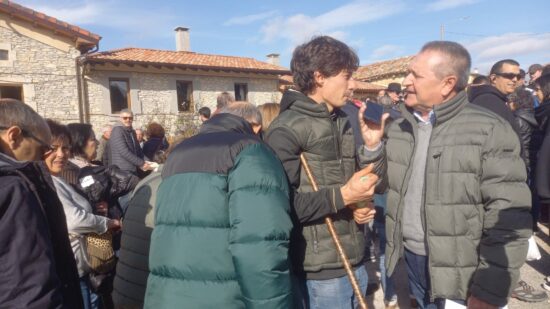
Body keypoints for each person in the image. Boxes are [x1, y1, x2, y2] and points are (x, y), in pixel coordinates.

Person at [363, 41, 532, 308]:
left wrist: (490, 291)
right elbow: (384, 186)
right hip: (406, 262)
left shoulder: (488, 130)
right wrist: (372, 147)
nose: (405, 81)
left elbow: (509, 217)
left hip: (460, 274)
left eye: (415, 75)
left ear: (447, 83)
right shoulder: (400, 127)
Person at [265, 36, 382, 309]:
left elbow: (365, 182)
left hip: (355, 259)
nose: (353, 85)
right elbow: (279, 206)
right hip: (320, 272)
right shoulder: (287, 129)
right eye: (347, 76)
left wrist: (360, 204)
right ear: (319, 77)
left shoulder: (341, 119)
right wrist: (343, 196)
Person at [145, 102, 293, 308]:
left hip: (166, 297)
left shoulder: (179, 153)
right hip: (222, 298)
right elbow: (260, 247)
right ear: (256, 127)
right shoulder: (251, 152)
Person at [0, 98, 83, 308]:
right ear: (14, 136)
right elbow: (27, 287)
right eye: (44, 148)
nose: (47, 155)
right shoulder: (13, 187)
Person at [44, 119, 121, 309]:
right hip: (73, 266)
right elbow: (74, 220)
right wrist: (107, 222)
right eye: (53, 148)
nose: (61, 154)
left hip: (80, 265)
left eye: (65, 148)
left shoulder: (56, 178)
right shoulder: (53, 181)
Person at [109, 109, 151, 176]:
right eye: (125, 118)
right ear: (120, 119)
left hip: (132, 169)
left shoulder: (132, 132)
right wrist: (141, 163)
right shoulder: (117, 131)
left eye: (130, 118)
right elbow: (124, 152)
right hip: (122, 170)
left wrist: (148, 162)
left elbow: (138, 150)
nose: (128, 120)